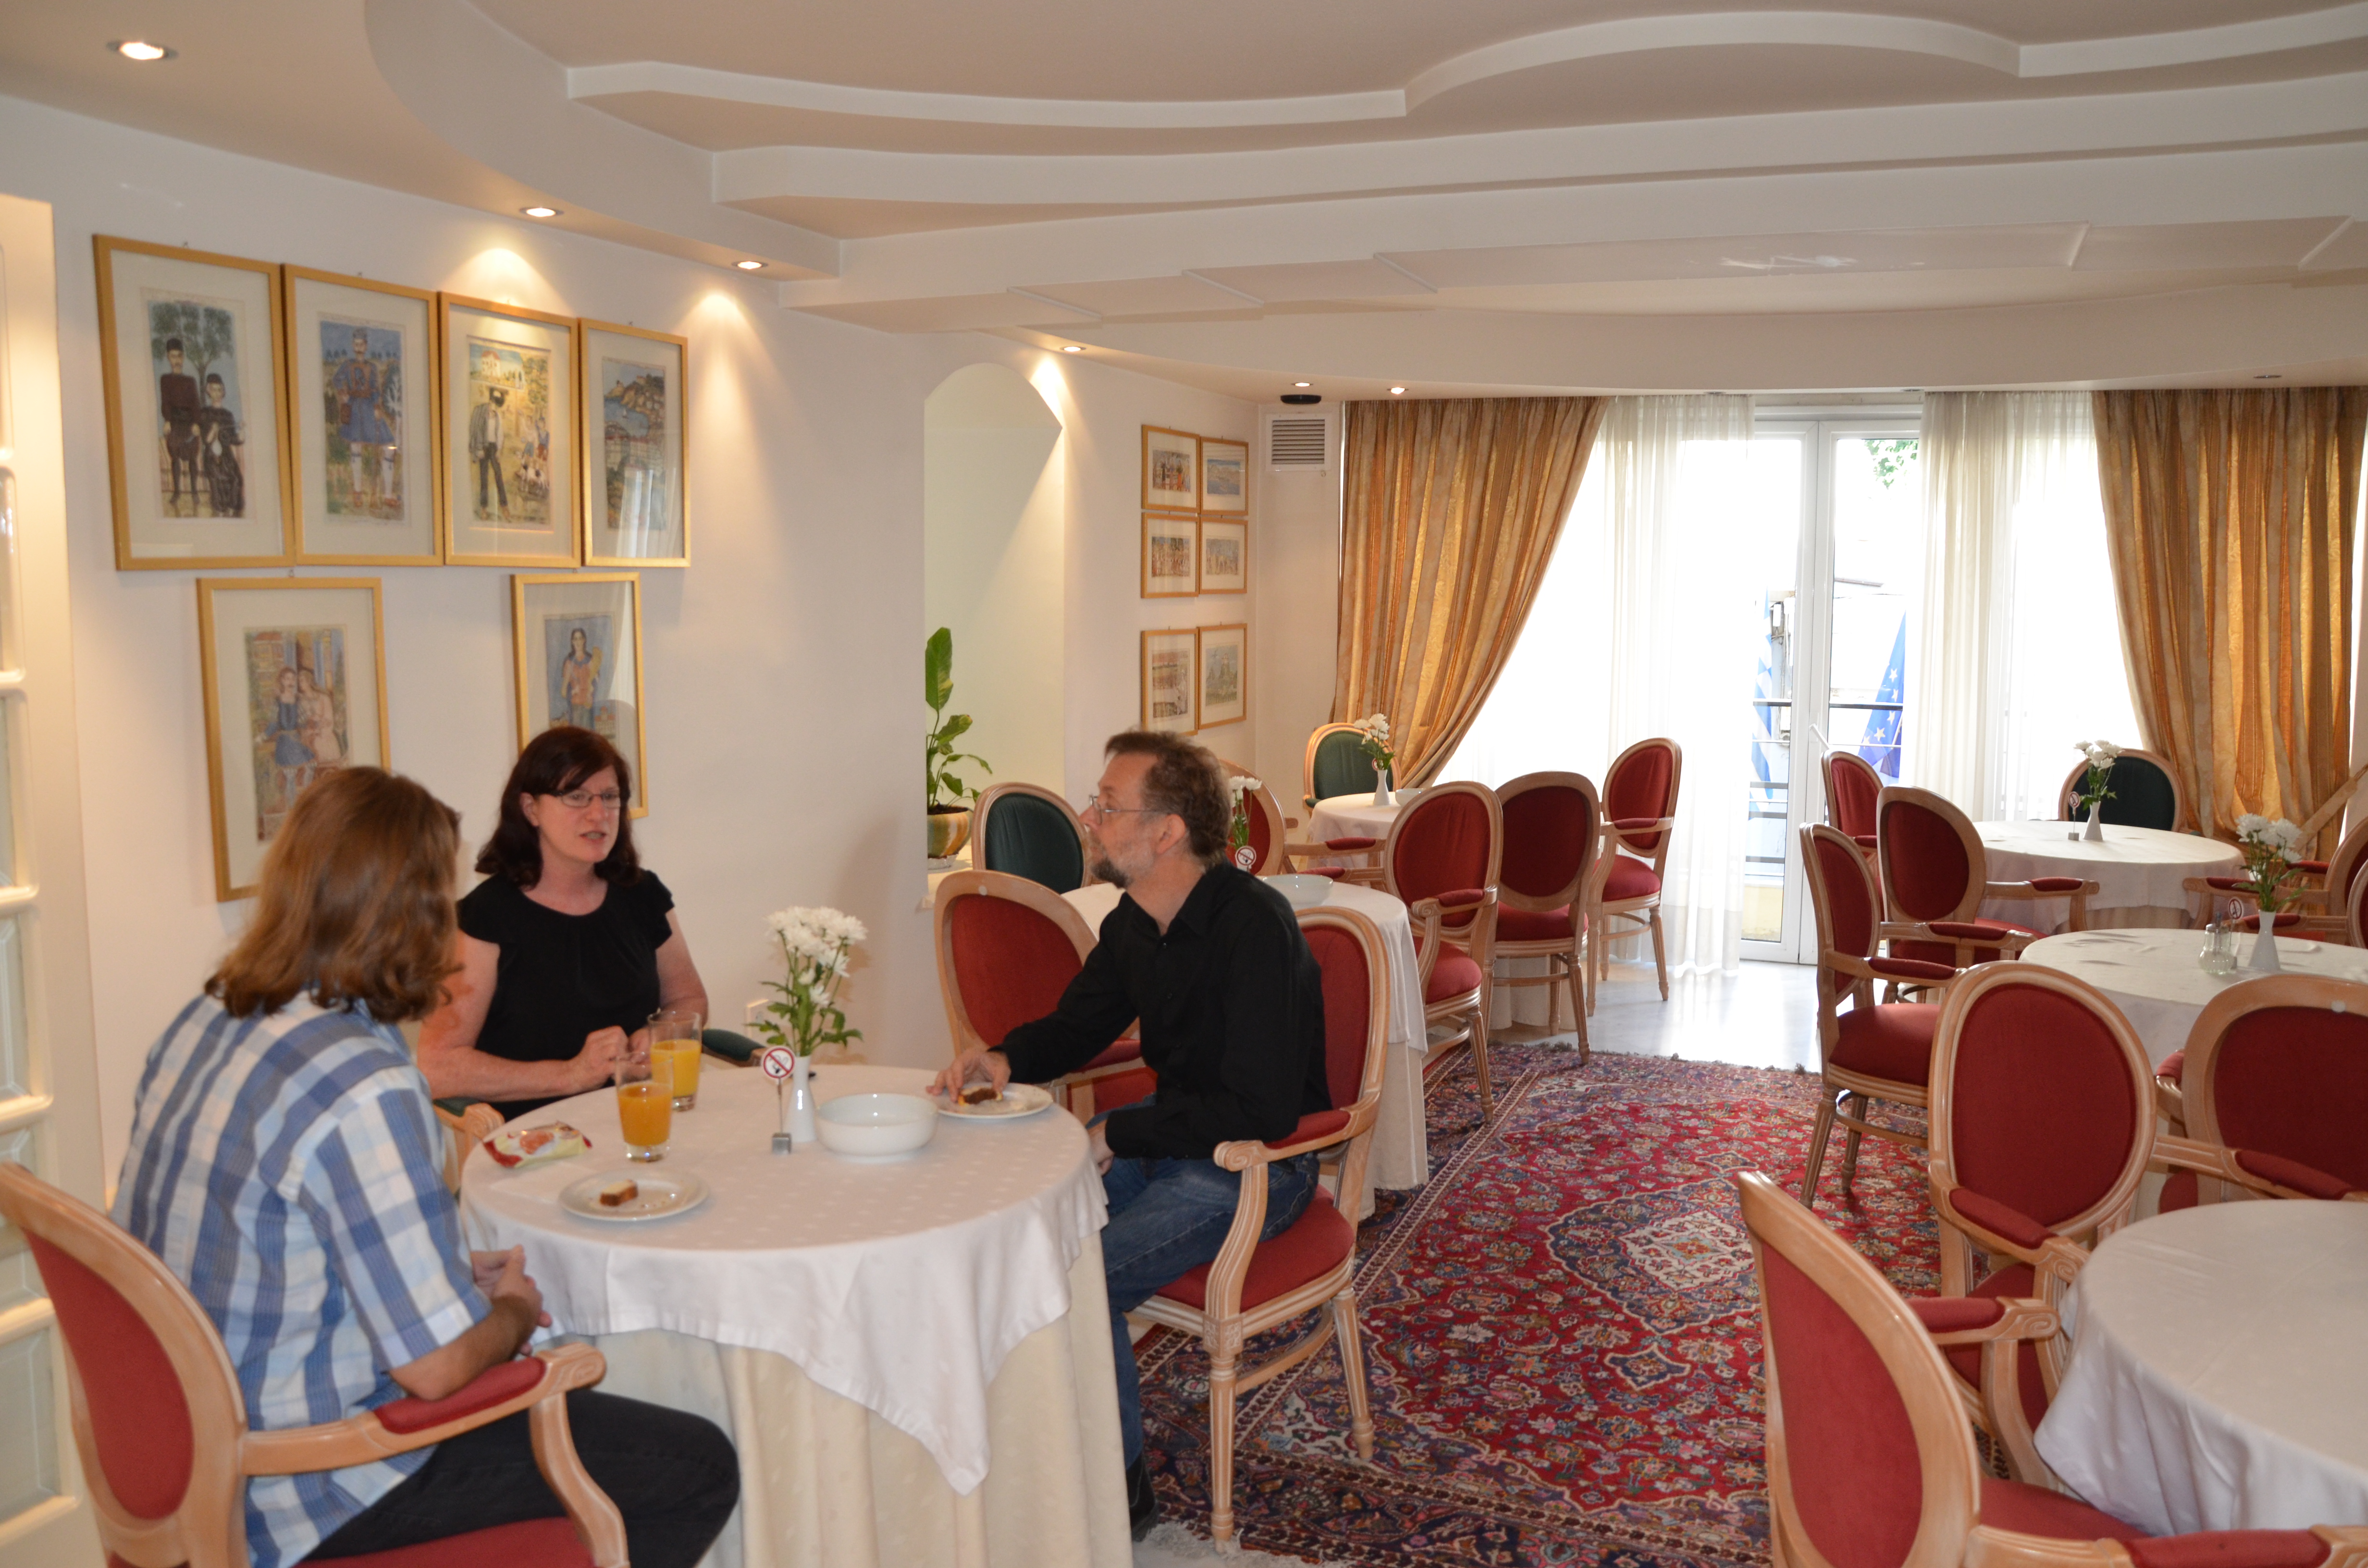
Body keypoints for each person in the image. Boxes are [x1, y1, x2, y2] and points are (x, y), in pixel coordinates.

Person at [112, 767, 738, 1568]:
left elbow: (278, 1231)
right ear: (414, 915)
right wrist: (511, 1312)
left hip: (182, 1450)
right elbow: (437, 1369)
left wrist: (449, 1274)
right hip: (312, 1480)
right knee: (697, 1465)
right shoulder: (365, 1085)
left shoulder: (206, 1017)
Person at [930, 730, 1330, 1541]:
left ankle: (1117, 1491)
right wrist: (1003, 1057)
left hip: (1254, 1167)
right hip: (1170, 1145)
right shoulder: (1134, 921)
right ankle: (1028, 1448)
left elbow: (1259, 1109)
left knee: (1079, 1274)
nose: (1087, 817)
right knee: (1020, 1237)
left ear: (1167, 830)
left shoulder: (1254, 926)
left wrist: (1118, 1129)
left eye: (1108, 806)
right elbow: (1077, 1026)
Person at [420, 726, 708, 1120]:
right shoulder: (484, 918)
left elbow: (688, 1001)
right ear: (531, 809)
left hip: (643, 1118)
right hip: (535, 1139)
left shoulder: (642, 894)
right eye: (576, 796)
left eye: (610, 797)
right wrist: (570, 1075)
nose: (599, 814)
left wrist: (657, 1037)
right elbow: (437, 1067)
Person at [330, 326, 398, 511]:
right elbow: (337, 379)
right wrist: (343, 393)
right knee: (356, 448)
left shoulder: (372, 367)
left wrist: (377, 407)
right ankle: (358, 493)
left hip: (369, 409)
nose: (359, 347)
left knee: (389, 447)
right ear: (353, 346)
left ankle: (387, 495)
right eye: (356, 344)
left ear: (366, 346)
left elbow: (376, 389)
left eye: (362, 344)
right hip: (354, 408)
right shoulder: (347, 365)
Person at [158, 336, 201, 506]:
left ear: (183, 357)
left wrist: (196, 423)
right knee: (175, 458)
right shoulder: (165, 380)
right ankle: (177, 493)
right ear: (169, 358)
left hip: (189, 423)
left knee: (193, 458)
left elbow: (196, 404)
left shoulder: (190, 381)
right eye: (173, 356)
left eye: (179, 356)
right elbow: (166, 402)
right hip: (175, 423)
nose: (177, 360)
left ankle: (195, 492)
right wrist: (168, 420)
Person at [198, 370, 244, 515]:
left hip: (227, 455)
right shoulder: (205, 413)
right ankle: (219, 511)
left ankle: (232, 509)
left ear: (223, 392)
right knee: (217, 479)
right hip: (212, 455)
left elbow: (235, 440)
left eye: (220, 390)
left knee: (236, 478)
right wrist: (213, 430)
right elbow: (207, 440)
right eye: (214, 390)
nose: (217, 394)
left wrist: (242, 432)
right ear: (208, 391)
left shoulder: (228, 415)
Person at [470, 383, 508, 518]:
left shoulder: (497, 417)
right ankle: (484, 508)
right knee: (484, 477)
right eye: (494, 404)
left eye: (497, 406)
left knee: (499, 476)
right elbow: (476, 431)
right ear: (490, 402)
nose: (495, 408)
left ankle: (504, 507)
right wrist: (479, 449)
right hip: (483, 447)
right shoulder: (481, 413)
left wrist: (499, 450)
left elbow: (500, 434)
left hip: (493, 447)